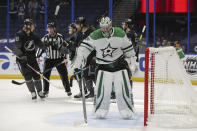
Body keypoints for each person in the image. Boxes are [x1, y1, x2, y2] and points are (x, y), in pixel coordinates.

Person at [71, 17, 136, 118]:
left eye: (107, 27)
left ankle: (126, 109)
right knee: (102, 90)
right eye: (103, 27)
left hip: (119, 66)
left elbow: (128, 48)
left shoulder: (119, 33)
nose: (105, 29)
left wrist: (132, 60)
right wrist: (77, 65)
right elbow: (83, 49)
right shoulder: (95, 34)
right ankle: (100, 109)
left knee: (123, 89)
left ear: (110, 26)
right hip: (103, 67)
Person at [36, 22, 71, 97]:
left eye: (51, 28)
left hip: (59, 59)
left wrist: (65, 58)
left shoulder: (60, 37)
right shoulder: (45, 37)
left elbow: (64, 48)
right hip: (49, 60)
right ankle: (45, 90)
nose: (50, 30)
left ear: (54, 28)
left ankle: (68, 90)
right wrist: (37, 56)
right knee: (45, 75)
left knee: (64, 75)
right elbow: (40, 48)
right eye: (49, 28)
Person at [13, 18, 46, 100]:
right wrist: (21, 56)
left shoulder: (33, 35)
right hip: (23, 60)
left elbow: (41, 44)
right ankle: (33, 92)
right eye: (32, 25)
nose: (34, 26)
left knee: (37, 75)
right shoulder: (20, 35)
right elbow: (16, 48)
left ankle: (39, 91)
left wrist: (45, 44)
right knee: (28, 76)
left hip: (32, 59)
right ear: (28, 26)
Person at [73, 16, 95, 99]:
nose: (76, 26)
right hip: (84, 58)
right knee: (82, 74)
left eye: (77, 24)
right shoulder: (78, 33)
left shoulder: (92, 31)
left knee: (94, 75)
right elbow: (76, 45)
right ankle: (89, 92)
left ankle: (102, 92)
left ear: (82, 24)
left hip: (93, 57)